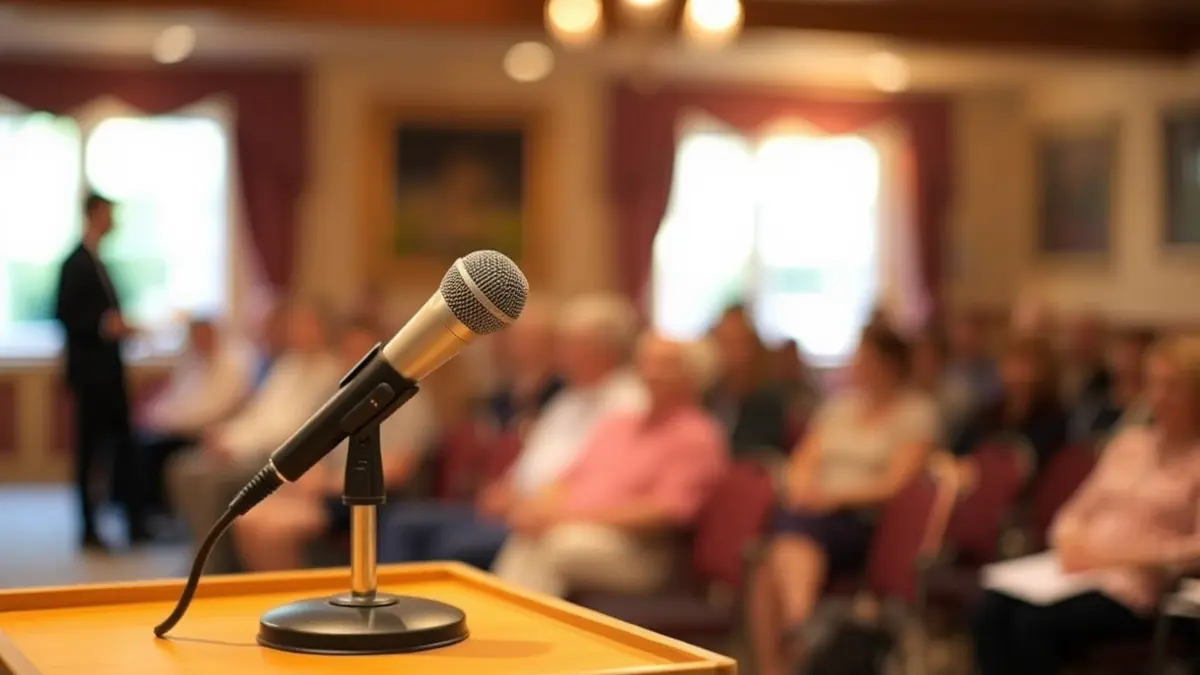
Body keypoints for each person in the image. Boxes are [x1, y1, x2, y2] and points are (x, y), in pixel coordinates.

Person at [972, 334, 1200, 675]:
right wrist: (1069, 538)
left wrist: (1110, 557)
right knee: (989, 608)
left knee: (1033, 626)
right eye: (1153, 384)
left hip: (1138, 589)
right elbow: (1076, 509)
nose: (1158, 397)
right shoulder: (1130, 444)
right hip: (1081, 572)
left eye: (1172, 386)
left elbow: (1194, 550)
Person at [379, 294, 646, 569]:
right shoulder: (570, 398)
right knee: (402, 522)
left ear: (605, 350)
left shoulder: (628, 403)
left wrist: (527, 502)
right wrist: (504, 488)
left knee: (449, 546)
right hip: (514, 506)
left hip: (548, 518)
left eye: (572, 344)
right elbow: (533, 457)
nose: (562, 353)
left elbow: (595, 477)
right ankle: (386, 607)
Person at [748, 323, 939, 675]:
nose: (856, 364)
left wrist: (833, 498)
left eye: (864, 358)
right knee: (772, 560)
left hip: (866, 520)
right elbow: (801, 462)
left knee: (781, 549)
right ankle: (794, 634)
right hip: (815, 513)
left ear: (888, 363)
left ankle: (796, 633)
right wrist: (804, 490)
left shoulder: (915, 412)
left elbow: (894, 485)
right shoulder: (840, 408)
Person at [492, 332, 728, 597]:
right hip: (576, 530)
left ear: (695, 376)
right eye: (646, 362)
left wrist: (565, 518)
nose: (651, 373)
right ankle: (496, 626)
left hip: (642, 552)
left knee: (557, 545)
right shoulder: (617, 424)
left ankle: (528, 632)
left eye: (666, 365)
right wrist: (538, 509)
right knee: (526, 535)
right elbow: (566, 478)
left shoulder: (697, 436)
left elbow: (666, 513)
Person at [233, 320, 436, 571]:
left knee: (275, 529)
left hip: (374, 497)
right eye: (349, 353)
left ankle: (295, 599)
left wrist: (328, 483)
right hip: (329, 491)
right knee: (249, 519)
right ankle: (273, 596)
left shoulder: (409, 400)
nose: (357, 362)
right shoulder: (340, 397)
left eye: (364, 354)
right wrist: (311, 477)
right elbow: (317, 447)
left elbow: (399, 469)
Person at [166, 301, 340, 573]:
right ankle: (201, 550)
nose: (297, 331)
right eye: (295, 325)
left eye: (305, 325)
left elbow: (292, 428)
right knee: (184, 468)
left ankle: (216, 569)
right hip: (250, 445)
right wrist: (226, 437)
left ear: (322, 328)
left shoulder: (329, 371)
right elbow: (259, 413)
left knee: (215, 483)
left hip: (277, 455)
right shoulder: (289, 365)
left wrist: (236, 445)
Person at [53, 191, 148, 551]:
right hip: (91, 377)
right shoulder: (74, 263)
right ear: (94, 214)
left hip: (110, 375)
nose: (113, 222)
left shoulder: (99, 261)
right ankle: (88, 528)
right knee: (89, 453)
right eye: (108, 214)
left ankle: (133, 523)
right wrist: (107, 326)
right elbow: (65, 314)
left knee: (123, 449)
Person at [139, 317, 253, 516]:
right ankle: (140, 515)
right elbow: (176, 400)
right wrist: (160, 418)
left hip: (199, 430)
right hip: (178, 426)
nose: (198, 340)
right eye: (194, 336)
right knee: (139, 443)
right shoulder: (192, 365)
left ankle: (154, 513)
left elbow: (217, 410)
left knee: (155, 453)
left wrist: (180, 422)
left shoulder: (229, 367)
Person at [952, 336, 1068, 466]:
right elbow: (959, 451)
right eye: (1011, 363)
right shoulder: (988, 413)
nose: (1017, 373)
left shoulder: (1053, 419)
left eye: (1025, 365)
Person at [706, 305, 789, 456]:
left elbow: (756, 452)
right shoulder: (706, 393)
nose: (726, 352)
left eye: (734, 343)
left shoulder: (766, 402)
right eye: (721, 341)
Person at [479, 300, 564, 434]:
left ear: (548, 340)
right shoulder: (501, 395)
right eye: (516, 337)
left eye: (530, 337)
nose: (520, 345)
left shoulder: (562, 390)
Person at [1070, 328, 1155, 443]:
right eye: (1119, 352)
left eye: (1131, 354)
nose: (1122, 362)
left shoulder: (1150, 407)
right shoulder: (1097, 388)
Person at [911, 325, 976, 443]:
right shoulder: (907, 393)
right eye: (919, 356)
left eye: (929, 356)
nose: (923, 362)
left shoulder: (959, 397)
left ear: (943, 359)